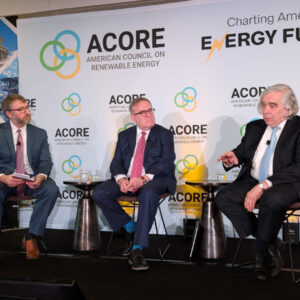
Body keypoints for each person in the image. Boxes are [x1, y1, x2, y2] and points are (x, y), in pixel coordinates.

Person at [215, 84, 300, 280]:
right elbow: (243, 151)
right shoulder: (255, 127)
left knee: (271, 199)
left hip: (287, 184)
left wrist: (263, 186)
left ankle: (259, 253)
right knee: (224, 197)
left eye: (272, 105)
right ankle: (269, 241)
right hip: (253, 179)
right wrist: (234, 157)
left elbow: (297, 167)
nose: (266, 111)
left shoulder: (298, 128)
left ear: (288, 108)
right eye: (263, 105)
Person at [93, 97, 176, 271]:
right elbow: (116, 163)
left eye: (150, 110)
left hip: (154, 180)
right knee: (99, 193)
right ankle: (131, 227)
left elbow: (167, 163)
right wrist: (122, 179)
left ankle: (137, 249)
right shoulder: (124, 135)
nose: (149, 115)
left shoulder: (164, 134)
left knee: (147, 193)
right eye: (143, 112)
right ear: (133, 117)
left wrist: (144, 178)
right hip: (129, 179)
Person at [0, 94, 59, 260]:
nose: (27, 111)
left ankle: (32, 236)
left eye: (27, 107)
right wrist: (3, 177)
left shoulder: (39, 134)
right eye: (21, 109)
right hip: (5, 180)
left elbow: (45, 162)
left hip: (30, 179)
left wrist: (40, 177)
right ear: (9, 113)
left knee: (51, 189)